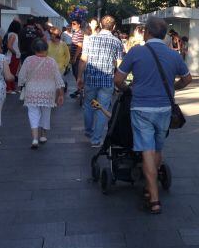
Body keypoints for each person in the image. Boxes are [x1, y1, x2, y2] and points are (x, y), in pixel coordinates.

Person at [114, 16, 192, 214]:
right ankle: (150, 189)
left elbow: (118, 79)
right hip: (165, 109)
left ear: (147, 32)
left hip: (141, 109)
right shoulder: (174, 55)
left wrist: (127, 89)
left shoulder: (136, 51)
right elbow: (187, 79)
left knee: (147, 151)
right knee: (158, 148)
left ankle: (154, 199)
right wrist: (173, 87)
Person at [77, 15, 124, 147]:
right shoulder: (117, 42)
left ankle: (88, 131)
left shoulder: (90, 40)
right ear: (113, 27)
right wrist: (121, 82)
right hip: (107, 81)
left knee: (88, 106)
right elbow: (119, 64)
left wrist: (80, 77)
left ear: (100, 25)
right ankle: (96, 140)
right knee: (102, 109)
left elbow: (83, 59)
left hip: (90, 79)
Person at [18, 38, 65, 149]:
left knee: (33, 114)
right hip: (48, 92)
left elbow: (21, 76)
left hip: (32, 91)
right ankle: (43, 135)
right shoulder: (51, 61)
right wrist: (61, 94)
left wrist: (21, 85)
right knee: (46, 113)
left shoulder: (28, 60)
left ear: (33, 48)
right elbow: (58, 79)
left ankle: (34, 138)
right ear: (46, 48)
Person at [4, 20, 22, 94]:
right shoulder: (13, 35)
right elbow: (9, 46)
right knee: (11, 72)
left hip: (13, 56)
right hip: (12, 56)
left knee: (13, 72)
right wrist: (15, 53)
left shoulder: (11, 34)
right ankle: (9, 88)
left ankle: (12, 87)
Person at [68, 19, 84, 97]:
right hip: (74, 56)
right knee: (75, 73)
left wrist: (74, 57)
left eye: (74, 24)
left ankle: (81, 90)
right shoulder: (75, 33)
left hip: (78, 57)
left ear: (79, 25)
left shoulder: (80, 33)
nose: (72, 25)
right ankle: (79, 89)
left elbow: (79, 47)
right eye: (72, 23)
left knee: (77, 74)